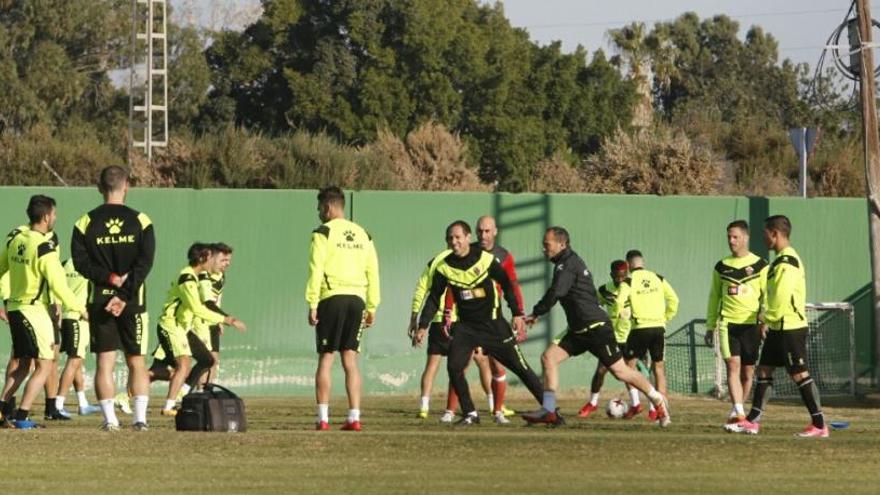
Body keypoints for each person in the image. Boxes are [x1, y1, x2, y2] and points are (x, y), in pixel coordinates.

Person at [521, 227, 670, 428]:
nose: (544, 249)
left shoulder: (568, 264)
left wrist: (536, 313)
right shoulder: (565, 263)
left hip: (596, 328)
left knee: (621, 372)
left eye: (547, 245)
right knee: (549, 358)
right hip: (578, 330)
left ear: (561, 244)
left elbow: (555, 292)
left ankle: (657, 399)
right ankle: (549, 411)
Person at [417, 220, 542, 427]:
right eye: (450, 238)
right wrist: (423, 325)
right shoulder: (445, 267)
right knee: (455, 368)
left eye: (458, 237)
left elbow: (507, 284)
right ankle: (470, 413)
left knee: (521, 368)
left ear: (467, 238)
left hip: (493, 325)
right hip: (466, 328)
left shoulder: (485, 260)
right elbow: (433, 298)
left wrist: (517, 313)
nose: (454, 241)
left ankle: (549, 409)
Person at [727, 215, 828, 437]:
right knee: (764, 370)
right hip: (778, 327)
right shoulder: (779, 260)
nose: (764, 238)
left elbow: (781, 297)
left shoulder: (787, 261)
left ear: (775, 233)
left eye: (765, 234)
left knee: (799, 374)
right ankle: (753, 421)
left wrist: (766, 319)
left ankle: (819, 425)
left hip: (790, 327)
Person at [71, 165, 155, 431]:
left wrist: (110, 281)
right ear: (127, 185)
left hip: (100, 299)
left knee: (105, 362)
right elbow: (145, 263)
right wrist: (124, 294)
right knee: (136, 360)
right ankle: (140, 420)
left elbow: (80, 263)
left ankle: (110, 421)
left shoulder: (85, 222)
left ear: (99, 187)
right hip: (133, 300)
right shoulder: (141, 220)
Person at [0, 195, 88, 429]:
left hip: (16, 308)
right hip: (34, 311)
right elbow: (59, 285)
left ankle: (1, 411)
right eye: (55, 214)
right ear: (47, 216)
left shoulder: (15, 239)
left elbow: (1, 268)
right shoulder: (44, 248)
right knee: (45, 365)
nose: (55, 218)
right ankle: (22, 416)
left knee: (24, 365)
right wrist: (81, 309)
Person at [306, 186, 380, 432]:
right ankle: (354, 417)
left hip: (331, 299)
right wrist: (372, 306)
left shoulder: (323, 233)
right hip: (357, 301)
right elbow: (373, 273)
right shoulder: (364, 234)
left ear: (327, 208)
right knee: (350, 360)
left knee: (326, 358)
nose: (318, 213)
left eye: (319, 208)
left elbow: (315, 270)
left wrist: (312, 303)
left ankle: (323, 418)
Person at [149, 243, 245, 416]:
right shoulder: (187, 278)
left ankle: (181, 394)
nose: (212, 262)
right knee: (182, 366)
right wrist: (227, 319)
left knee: (207, 360)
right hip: (171, 326)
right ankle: (168, 405)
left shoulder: (197, 277)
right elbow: (198, 308)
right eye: (210, 257)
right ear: (202, 258)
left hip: (183, 328)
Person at [705, 220, 768, 425]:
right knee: (733, 365)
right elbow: (714, 296)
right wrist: (710, 325)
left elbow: (767, 295)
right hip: (728, 324)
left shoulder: (760, 265)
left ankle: (737, 408)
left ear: (745, 238)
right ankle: (740, 412)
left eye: (735, 237)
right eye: (729, 237)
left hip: (751, 325)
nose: (731, 241)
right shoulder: (721, 266)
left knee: (748, 371)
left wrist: (764, 318)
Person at [619, 249, 678, 420]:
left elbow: (619, 302)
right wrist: (665, 318)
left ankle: (637, 403)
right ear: (643, 262)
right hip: (659, 328)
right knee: (658, 368)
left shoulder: (628, 281)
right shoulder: (658, 278)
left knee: (627, 368)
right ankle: (662, 412)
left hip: (640, 328)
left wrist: (620, 315)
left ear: (628, 265)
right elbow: (674, 300)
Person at [472, 215, 521, 421]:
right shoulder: (469, 252)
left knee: (497, 364)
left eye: (487, 231)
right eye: (480, 231)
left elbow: (512, 286)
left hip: (494, 317)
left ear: (495, 231)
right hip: (468, 316)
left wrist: (518, 313)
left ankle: (498, 411)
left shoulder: (504, 256)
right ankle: (453, 412)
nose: (483, 235)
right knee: (460, 363)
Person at [575, 260, 633, 418]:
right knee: (601, 370)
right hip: (610, 336)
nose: (620, 280)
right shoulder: (604, 290)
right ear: (612, 275)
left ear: (627, 274)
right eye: (617, 277)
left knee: (629, 372)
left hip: (630, 336)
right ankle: (592, 403)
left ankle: (636, 405)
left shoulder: (633, 288)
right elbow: (595, 305)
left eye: (623, 277)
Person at [409, 243, 459, 423]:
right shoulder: (466, 260)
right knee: (461, 366)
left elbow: (421, 289)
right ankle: (494, 407)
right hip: (458, 321)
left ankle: (424, 407)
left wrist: (415, 318)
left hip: (437, 321)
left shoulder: (435, 260)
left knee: (432, 366)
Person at [55, 258, 102, 417]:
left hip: (70, 317)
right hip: (78, 317)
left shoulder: (65, 263)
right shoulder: (90, 264)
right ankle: (58, 405)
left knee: (77, 361)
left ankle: (83, 404)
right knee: (74, 360)